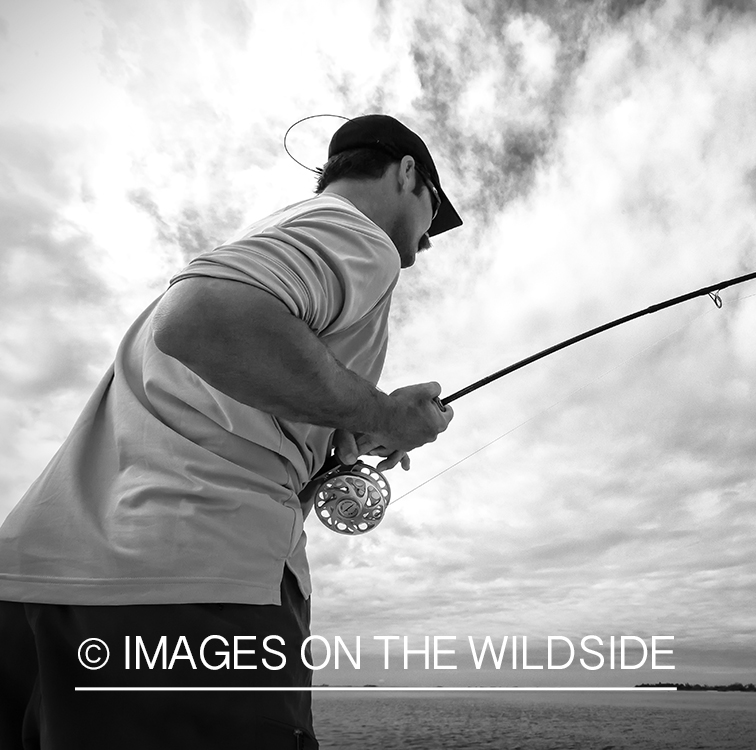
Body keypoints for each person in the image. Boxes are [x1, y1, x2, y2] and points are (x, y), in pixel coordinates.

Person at [0, 114, 459, 748]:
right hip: (193, 600)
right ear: (406, 173)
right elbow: (201, 317)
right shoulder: (360, 233)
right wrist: (384, 416)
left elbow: (216, 382)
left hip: (38, 586)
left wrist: (343, 429)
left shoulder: (264, 242)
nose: (429, 233)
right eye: (433, 206)